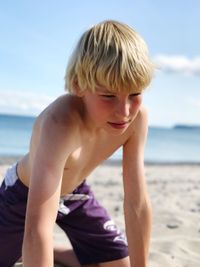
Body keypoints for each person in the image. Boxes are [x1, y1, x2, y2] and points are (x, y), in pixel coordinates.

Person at [0, 20, 154, 267]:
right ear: (78, 86)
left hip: (75, 192)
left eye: (134, 94)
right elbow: (38, 228)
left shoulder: (137, 119)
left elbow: (136, 203)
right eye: (108, 96)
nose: (124, 111)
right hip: (25, 194)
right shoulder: (60, 123)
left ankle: (56, 252)